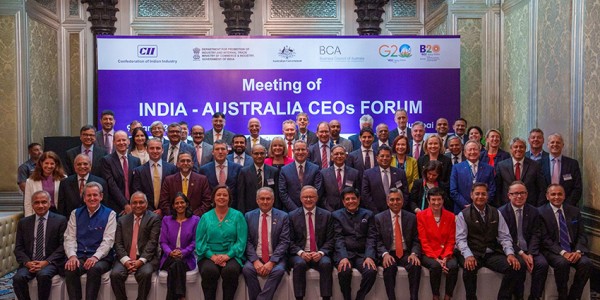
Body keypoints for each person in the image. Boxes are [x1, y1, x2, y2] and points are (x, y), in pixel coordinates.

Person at [455, 183, 523, 300]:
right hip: (473, 252)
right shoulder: (463, 214)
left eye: (483, 194)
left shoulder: (496, 212)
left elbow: (505, 237)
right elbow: (460, 239)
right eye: (477, 194)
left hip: (491, 252)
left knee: (514, 266)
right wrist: (468, 256)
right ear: (471, 195)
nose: (480, 196)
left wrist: (510, 254)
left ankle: (503, 297)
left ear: (487, 196)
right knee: (469, 268)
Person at [536, 184, 591, 300]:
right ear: (547, 196)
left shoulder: (574, 211)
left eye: (560, 194)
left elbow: (582, 234)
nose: (557, 197)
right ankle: (562, 295)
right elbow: (545, 239)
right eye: (553, 194)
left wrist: (578, 251)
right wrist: (562, 252)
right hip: (553, 250)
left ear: (564, 196)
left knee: (586, 263)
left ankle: (574, 296)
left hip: (573, 249)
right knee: (562, 263)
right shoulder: (540, 212)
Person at [64, 182, 116, 300]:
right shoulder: (75, 213)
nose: (92, 198)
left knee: (94, 269)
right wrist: (72, 256)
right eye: (88, 195)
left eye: (95, 195)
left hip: (101, 258)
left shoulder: (110, 214)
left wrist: (95, 257)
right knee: (70, 268)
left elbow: (108, 240)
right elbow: (69, 238)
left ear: (101, 196)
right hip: (80, 256)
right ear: (84, 198)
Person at [498, 181, 548, 300]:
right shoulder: (501, 212)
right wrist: (521, 253)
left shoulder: (534, 211)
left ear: (527, 194)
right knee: (519, 264)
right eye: (515, 193)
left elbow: (536, 234)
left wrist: (530, 253)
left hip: (531, 249)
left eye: (522, 193)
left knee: (542, 264)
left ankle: (534, 297)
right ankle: (518, 296)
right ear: (509, 195)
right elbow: (503, 238)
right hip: (512, 249)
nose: (519, 196)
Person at [13, 191, 67, 300]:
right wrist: (28, 263)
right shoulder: (24, 222)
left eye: (44, 202)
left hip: (50, 262)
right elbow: (18, 248)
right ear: (32, 205)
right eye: (37, 203)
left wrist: (45, 262)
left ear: (49, 203)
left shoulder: (60, 220)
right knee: (18, 278)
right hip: (30, 262)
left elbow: (63, 247)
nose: (40, 205)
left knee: (43, 275)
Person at [196, 185, 248, 300]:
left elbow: (241, 241)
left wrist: (227, 256)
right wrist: (213, 257)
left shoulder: (238, 216)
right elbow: (199, 242)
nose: (222, 197)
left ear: (229, 198)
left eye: (225, 195)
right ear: (213, 198)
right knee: (209, 271)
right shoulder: (205, 217)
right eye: (218, 195)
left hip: (232, 254)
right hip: (208, 255)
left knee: (230, 271)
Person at [110, 192, 161, 300]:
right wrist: (126, 261)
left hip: (146, 258)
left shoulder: (154, 218)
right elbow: (118, 243)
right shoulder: (122, 220)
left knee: (145, 274)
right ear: (130, 204)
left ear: (146, 204)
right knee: (115, 275)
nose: (138, 205)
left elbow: (152, 242)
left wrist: (140, 261)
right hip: (125, 258)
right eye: (134, 203)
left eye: (141, 202)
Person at [242, 187, 290, 300]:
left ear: (273, 200)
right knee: (247, 270)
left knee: (279, 271)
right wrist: (255, 260)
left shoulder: (283, 216)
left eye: (268, 199)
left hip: (274, 257)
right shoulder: (248, 216)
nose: (265, 202)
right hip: (256, 256)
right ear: (257, 200)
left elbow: (284, 241)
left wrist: (272, 262)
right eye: (262, 199)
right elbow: (246, 240)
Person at [373, 188, 421, 300]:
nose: (395, 202)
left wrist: (414, 253)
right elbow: (377, 240)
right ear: (387, 202)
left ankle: (414, 297)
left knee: (415, 265)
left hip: (406, 253)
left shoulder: (411, 217)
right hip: (389, 252)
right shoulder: (379, 218)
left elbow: (416, 239)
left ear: (403, 201)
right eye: (392, 200)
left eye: (398, 199)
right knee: (389, 266)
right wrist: (384, 254)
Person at [288, 186, 335, 300]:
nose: (308, 199)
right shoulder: (292, 216)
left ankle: (326, 298)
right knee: (299, 264)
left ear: (317, 198)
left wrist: (321, 252)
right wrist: (301, 253)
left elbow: (331, 239)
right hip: (300, 254)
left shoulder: (327, 215)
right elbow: (289, 241)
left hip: (319, 253)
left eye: (311, 197)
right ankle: (299, 298)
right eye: (305, 197)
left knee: (326, 264)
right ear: (300, 198)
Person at [332, 187, 377, 300]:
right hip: (346, 253)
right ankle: (347, 297)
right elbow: (338, 238)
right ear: (343, 202)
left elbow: (371, 238)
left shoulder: (368, 215)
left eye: (353, 198)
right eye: (347, 199)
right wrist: (343, 257)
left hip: (363, 255)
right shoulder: (336, 216)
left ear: (359, 199)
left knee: (371, 271)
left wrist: (369, 256)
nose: (350, 201)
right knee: (344, 271)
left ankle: (360, 297)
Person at [416, 187, 458, 300]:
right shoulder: (421, 216)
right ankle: (436, 296)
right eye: (433, 200)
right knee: (435, 267)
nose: (436, 202)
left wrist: (445, 257)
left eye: (439, 199)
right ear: (428, 201)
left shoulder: (450, 216)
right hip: (428, 253)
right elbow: (423, 240)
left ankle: (448, 296)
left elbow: (451, 240)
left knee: (453, 266)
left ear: (443, 200)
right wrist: (436, 258)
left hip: (446, 253)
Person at [159, 192, 200, 300]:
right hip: (168, 257)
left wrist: (183, 252)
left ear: (187, 204)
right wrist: (170, 252)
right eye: (176, 203)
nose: (179, 205)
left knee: (176, 265)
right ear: (173, 206)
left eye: (182, 202)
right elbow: (163, 242)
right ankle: (181, 296)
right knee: (176, 264)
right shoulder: (166, 220)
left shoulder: (195, 220)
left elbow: (195, 242)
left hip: (186, 258)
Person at [495, 137, 547, 207]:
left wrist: (538, 208)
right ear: (511, 149)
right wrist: (500, 208)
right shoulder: (501, 166)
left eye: (521, 147)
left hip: (530, 207)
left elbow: (542, 188)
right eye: (515, 147)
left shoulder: (535, 165)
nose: (518, 149)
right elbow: (498, 189)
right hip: (507, 208)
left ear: (525, 149)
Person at [132, 138, 178, 214]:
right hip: (146, 212)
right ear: (147, 150)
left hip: (167, 212)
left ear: (162, 150)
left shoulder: (172, 168)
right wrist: (149, 210)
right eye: (152, 148)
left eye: (158, 148)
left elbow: (173, 192)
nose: (155, 151)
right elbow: (137, 191)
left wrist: (162, 209)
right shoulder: (139, 171)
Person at [100, 130, 141, 214]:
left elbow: (137, 184)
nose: (121, 142)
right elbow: (111, 184)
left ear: (128, 141)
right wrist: (125, 205)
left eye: (124, 140)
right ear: (114, 142)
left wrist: (132, 204)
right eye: (118, 140)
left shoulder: (136, 160)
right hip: (115, 206)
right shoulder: (106, 160)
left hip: (134, 205)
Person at [159, 152, 212, 217]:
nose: (185, 163)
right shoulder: (169, 180)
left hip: (196, 220)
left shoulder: (202, 180)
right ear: (178, 164)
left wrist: (192, 217)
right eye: (182, 161)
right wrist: (176, 216)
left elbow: (207, 202)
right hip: (174, 219)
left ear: (192, 163)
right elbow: (164, 202)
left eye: (188, 161)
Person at [450, 140, 496, 214]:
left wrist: (481, 203)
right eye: (470, 149)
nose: (472, 152)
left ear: (479, 152)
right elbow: (453, 191)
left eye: (475, 149)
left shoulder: (489, 168)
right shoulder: (457, 168)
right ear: (465, 153)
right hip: (462, 209)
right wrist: (467, 205)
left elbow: (492, 189)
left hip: (483, 209)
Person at [361, 145, 408, 214]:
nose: (385, 158)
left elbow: (405, 193)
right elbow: (365, 195)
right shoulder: (368, 174)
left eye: (387, 156)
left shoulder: (400, 173)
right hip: (375, 214)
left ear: (391, 158)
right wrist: (375, 212)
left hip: (397, 212)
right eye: (382, 156)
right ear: (377, 158)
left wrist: (399, 208)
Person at [279, 140, 323, 211]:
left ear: (307, 151)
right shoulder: (284, 170)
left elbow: (318, 190)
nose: (300, 152)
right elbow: (283, 193)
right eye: (298, 150)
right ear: (293, 151)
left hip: (310, 209)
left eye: (303, 149)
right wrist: (296, 210)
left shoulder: (315, 169)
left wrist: (308, 206)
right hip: (291, 211)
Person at [540, 133, 582, 206]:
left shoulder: (572, 164)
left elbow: (577, 188)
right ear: (547, 145)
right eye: (552, 142)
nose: (555, 144)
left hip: (567, 206)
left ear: (562, 145)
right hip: (544, 207)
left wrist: (566, 205)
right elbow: (536, 188)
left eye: (558, 142)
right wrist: (543, 206)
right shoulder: (538, 164)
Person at [236, 144, 279, 213]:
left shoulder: (274, 171)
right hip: (250, 211)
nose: (259, 156)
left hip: (270, 210)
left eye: (262, 153)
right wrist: (242, 213)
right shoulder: (244, 172)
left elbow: (276, 194)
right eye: (256, 153)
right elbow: (241, 196)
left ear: (266, 154)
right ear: (251, 154)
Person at [319, 145, 360, 212]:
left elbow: (358, 194)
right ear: (331, 157)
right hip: (330, 212)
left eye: (341, 153)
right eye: (336, 154)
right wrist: (328, 209)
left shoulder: (354, 173)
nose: (339, 156)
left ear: (346, 156)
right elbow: (321, 195)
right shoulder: (323, 173)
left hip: (349, 211)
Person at [24, 151, 66, 216]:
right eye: (46, 163)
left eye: (52, 163)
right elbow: (28, 203)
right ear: (41, 163)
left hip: (57, 213)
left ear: (56, 164)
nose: (49, 166)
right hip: (38, 212)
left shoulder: (63, 179)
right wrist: (29, 219)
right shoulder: (30, 181)